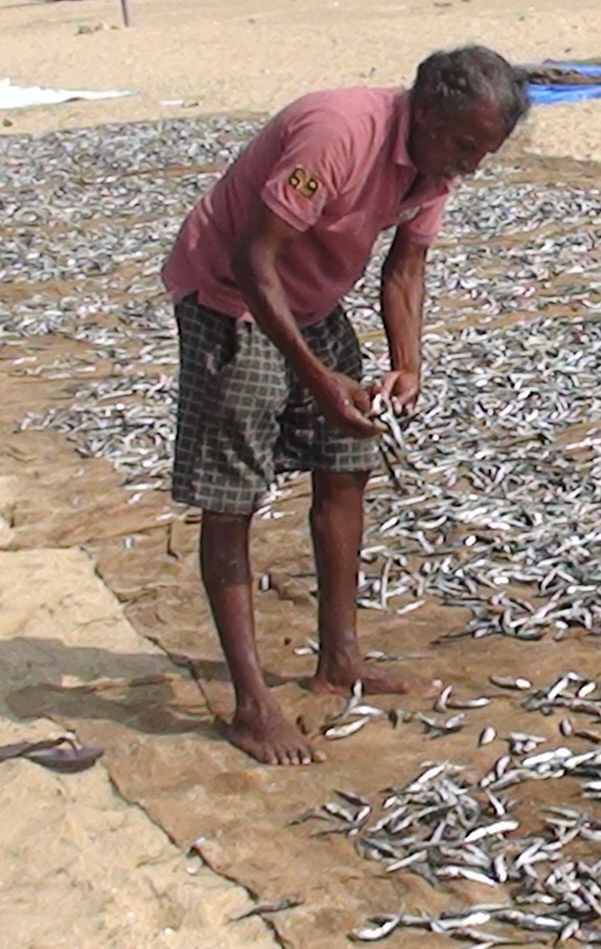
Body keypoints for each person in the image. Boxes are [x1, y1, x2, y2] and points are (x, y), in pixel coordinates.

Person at [160, 45, 530, 765]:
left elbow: (407, 265)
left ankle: (340, 660)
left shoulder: (440, 160)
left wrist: (408, 366)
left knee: (346, 463)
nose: (471, 166)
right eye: (464, 146)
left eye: (484, 153)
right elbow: (250, 258)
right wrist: (319, 379)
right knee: (232, 494)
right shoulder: (337, 133)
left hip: (312, 295)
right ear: (423, 113)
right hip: (231, 295)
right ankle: (250, 703)